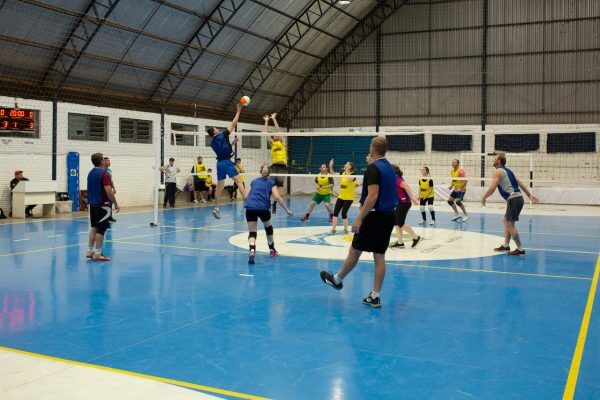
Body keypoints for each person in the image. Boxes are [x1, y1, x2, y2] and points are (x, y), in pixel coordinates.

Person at [320, 136, 398, 308]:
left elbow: (372, 196)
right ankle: (375, 296)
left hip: (375, 216)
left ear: (372, 149)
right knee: (379, 256)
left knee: (355, 251)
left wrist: (359, 218)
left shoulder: (373, 168)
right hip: (389, 215)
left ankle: (337, 280)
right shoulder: (390, 168)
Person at [481, 154, 539, 256]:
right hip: (517, 198)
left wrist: (484, 197)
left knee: (510, 224)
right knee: (506, 221)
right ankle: (506, 245)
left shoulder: (498, 172)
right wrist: (529, 195)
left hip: (513, 199)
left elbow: (493, 187)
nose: (493, 160)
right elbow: (520, 183)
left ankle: (520, 249)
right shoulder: (508, 171)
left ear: (499, 161)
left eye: (495, 159)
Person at [245, 164, 293, 265]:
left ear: (260, 171)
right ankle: (272, 250)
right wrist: (287, 210)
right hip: (263, 208)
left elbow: (246, 196)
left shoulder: (254, 181)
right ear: (269, 172)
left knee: (252, 232)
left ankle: (252, 249)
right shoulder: (271, 182)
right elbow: (277, 197)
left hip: (250, 207)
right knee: (268, 228)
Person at [207, 103, 247, 219]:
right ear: (215, 132)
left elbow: (224, 149)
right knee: (239, 182)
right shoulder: (223, 135)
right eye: (216, 129)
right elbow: (233, 124)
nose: (218, 129)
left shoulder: (212, 143)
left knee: (220, 187)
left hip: (219, 163)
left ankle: (216, 208)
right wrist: (238, 111)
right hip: (227, 162)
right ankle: (246, 201)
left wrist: (233, 143)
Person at [86, 153, 119, 261]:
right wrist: (115, 203)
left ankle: (90, 251)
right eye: (104, 159)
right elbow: (108, 191)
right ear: (101, 161)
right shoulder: (104, 174)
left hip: (93, 205)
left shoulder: (90, 173)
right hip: (103, 206)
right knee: (101, 230)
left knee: (94, 227)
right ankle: (98, 254)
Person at [391, 166, 421, 249]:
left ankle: (416, 237)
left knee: (400, 223)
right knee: (396, 223)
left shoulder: (397, 179)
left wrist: (413, 199)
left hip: (404, 203)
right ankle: (400, 243)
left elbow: (406, 187)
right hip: (400, 202)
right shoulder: (395, 178)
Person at [328, 159, 361, 235]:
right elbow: (333, 173)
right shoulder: (342, 173)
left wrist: (346, 171)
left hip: (349, 198)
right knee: (335, 212)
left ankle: (345, 229)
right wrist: (330, 166)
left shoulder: (353, 175)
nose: (345, 165)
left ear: (350, 166)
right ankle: (333, 229)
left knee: (343, 213)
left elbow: (349, 179)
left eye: (347, 164)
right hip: (341, 196)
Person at [265, 113, 288, 213]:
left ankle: (274, 203)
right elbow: (266, 134)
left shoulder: (282, 142)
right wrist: (266, 121)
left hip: (282, 167)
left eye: (277, 134)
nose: (276, 134)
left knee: (277, 187)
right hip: (274, 167)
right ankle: (267, 202)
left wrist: (274, 119)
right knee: (271, 185)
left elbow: (278, 129)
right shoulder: (272, 143)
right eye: (274, 134)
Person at [103, 157, 117, 223]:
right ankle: (105, 217)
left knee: (110, 202)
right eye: (107, 161)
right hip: (105, 189)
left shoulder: (110, 171)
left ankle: (109, 216)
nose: (109, 162)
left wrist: (113, 188)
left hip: (109, 188)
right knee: (105, 204)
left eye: (109, 161)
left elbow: (111, 180)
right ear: (104, 162)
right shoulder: (103, 171)